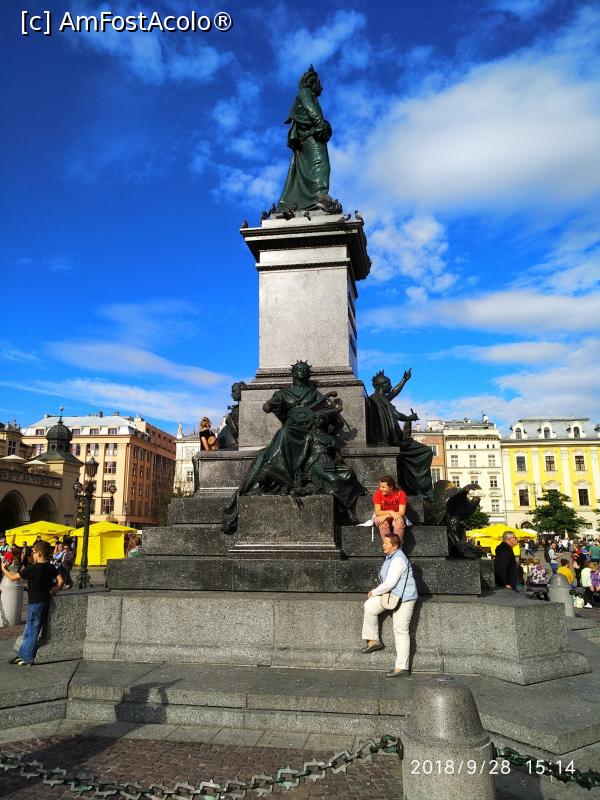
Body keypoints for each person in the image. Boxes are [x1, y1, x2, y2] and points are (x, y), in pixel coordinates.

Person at [361, 533, 418, 678]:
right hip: (391, 595)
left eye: (386, 543)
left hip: (404, 598)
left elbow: (390, 583)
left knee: (400, 630)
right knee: (370, 606)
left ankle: (402, 667)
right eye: (384, 543)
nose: (383, 545)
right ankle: (373, 641)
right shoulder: (390, 557)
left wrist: (374, 592)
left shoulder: (398, 559)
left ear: (395, 545)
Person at [1, 540, 63, 665]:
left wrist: (3, 569)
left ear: (39, 554)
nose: (32, 554)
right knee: (29, 629)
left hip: (35, 603)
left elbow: (12, 577)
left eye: (33, 552)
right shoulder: (51, 567)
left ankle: (27, 658)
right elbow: (60, 581)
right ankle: (22, 654)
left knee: (32, 630)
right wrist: (52, 593)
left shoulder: (32, 568)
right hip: (44, 600)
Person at [296, 413, 363, 523]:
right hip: (315, 462)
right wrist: (299, 467)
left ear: (325, 422)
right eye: (316, 418)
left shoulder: (330, 438)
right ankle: (345, 509)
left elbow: (338, 456)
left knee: (349, 472)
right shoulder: (310, 436)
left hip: (329, 462)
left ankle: (345, 505)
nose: (318, 420)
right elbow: (303, 454)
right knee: (334, 479)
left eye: (320, 418)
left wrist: (335, 461)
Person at [372, 475, 407, 545]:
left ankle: (397, 547)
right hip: (380, 517)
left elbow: (402, 512)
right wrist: (391, 512)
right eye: (380, 486)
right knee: (382, 522)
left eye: (383, 487)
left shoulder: (401, 494)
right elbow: (378, 512)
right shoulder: (378, 493)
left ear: (391, 487)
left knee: (399, 522)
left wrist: (387, 515)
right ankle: (388, 546)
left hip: (395, 517)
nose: (381, 489)